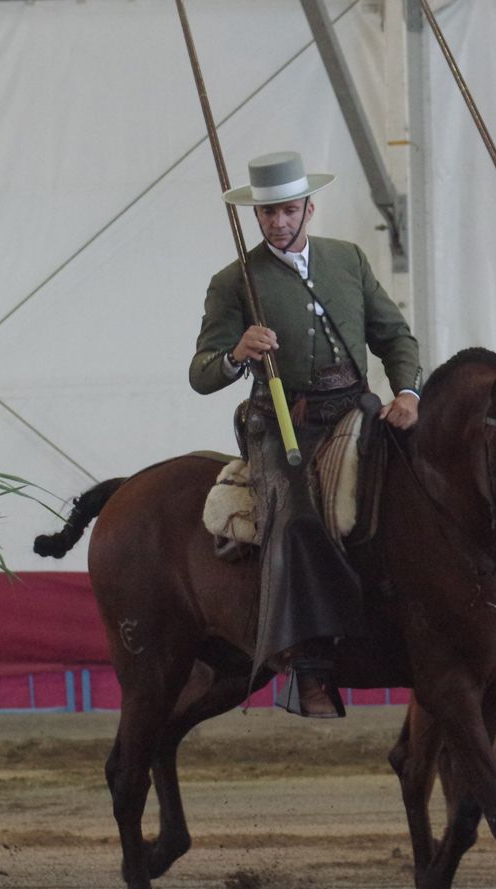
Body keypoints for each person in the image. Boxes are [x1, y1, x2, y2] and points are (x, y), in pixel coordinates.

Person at [190, 151, 421, 717]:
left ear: (308, 208)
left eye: (287, 210)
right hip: (281, 421)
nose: (277, 222)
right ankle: (306, 663)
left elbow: (395, 337)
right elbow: (201, 373)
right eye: (267, 213)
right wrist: (237, 355)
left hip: (357, 410)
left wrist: (409, 393)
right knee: (294, 520)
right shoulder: (233, 281)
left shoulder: (349, 260)